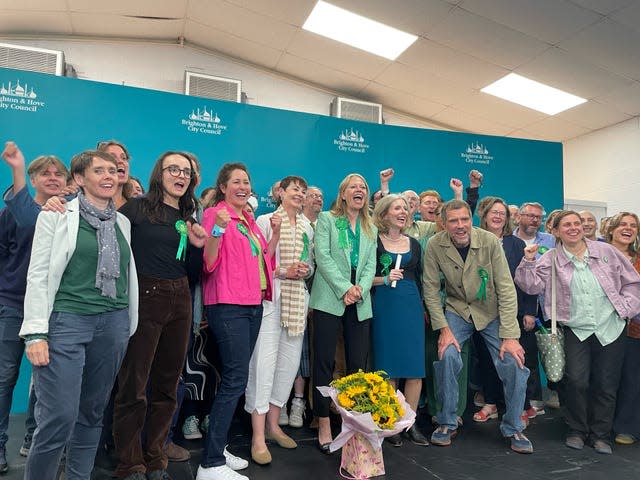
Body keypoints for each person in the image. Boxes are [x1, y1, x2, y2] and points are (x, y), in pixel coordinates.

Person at [20, 149, 138, 480]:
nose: (108, 176)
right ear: (79, 179)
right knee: (58, 416)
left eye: (112, 170)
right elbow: (38, 274)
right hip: (67, 322)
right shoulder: (55, 215)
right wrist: (35, 333)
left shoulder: (123, 222)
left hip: (113, 324)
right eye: (98, 170)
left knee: (92, 414)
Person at [113, 152, 207, 480]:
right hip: (146, 297)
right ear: (160, 173)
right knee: (134, 383)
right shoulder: (136, 208)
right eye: (174, 169)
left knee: (168, 383)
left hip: (181, 298)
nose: (180, 175)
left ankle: (156, 457)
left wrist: (199, 246)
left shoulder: (189, 214)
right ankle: (129, 461)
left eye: (186, 172)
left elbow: (194, 272)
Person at [515, 210, 640, 454]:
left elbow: (633, 282)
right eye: (566, 225)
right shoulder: (550, 257)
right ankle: (577, 430)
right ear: (556, 231)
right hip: (575, 329)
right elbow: (530, 286)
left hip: (610, 327)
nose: (573, 228)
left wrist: (626, 309)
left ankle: (601, 434)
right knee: (576, 381)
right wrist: (529, 260)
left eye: (577, 224)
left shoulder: (606, 251)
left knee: (606, 383)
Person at [423, 199, 532, 454]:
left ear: (471, 219)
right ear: (444, 223)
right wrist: (444, 329)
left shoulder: (490, 241)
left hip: (491, 311)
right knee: (447, 355)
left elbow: (505, 287)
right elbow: (430, 289)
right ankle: (447, 421)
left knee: (514, 362)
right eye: (453, 221)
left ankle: (514, 426)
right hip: (458, 309)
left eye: (464, 219)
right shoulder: (435, 245)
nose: (460, 226)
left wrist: (510, 335)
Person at [197, 162, 274, 480]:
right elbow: (209, 261)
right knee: (234, 380)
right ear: (224, 186)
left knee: (234, 380)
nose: (243, 186)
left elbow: (261, 262)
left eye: (247, 181)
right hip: (228, 305)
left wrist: (276, 237)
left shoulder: (248, 220)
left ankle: (218, 448)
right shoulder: (216, 214)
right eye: (236, 181)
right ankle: (210, 463)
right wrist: (217, 228)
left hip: (253, 305)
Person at [0, 142, 68, 474]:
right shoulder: (18, 209)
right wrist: (15, 169)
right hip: (13, 304)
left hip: (52, 308)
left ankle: (32, 439)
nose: (53, 178)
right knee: (5, 376)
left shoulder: (70, 212)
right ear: (33, 178)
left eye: (59, 173)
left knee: (46, 380)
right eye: (46, 173)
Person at [245, 176, 314, 465]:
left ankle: (274, 427)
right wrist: (285, 272)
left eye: (303, 190)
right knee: (263, 366)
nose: (299, 194)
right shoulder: (264, 221)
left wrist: (304, 270)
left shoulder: (309, 226)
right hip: (271, 303)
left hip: (297, 304)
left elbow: (310, 265)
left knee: (286, 368)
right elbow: (257, 261)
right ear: (280, 193)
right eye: (294, 189)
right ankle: (258, 436)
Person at [309, 173, 377, 453]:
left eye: (363, 187)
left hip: (360, 300)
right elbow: (322, 256)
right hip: (330, 297)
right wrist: (344, 288)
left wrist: (359, 288)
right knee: (323, 361)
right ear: (343, 193)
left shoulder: (370, 225)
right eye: (354, 186)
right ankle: (323, 420)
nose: (359, 190)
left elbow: (371, 263)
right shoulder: (327, 219)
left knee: (358, 365)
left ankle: (353, 423)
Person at [473, 197, 540, 426]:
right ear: (484, 215)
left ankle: (522, 405)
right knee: (487, 360)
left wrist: (530, 311)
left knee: (517, 360)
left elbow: (527, 280)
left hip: (514, 311)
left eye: (502, 213)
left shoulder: (516, 244)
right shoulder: (474, 240)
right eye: (493, 212)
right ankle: (490, 403)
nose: (498, 216)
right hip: (483, 312)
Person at [370, 195, 428, 446]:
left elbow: (423, 278)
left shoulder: (415, 244)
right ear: (384, 214)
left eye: (406, 208)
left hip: (411, 305)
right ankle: (389, 422)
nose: (403, 212)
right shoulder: (372, 241)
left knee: (414, 368)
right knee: (388, 366)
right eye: (397, 208)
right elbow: (361, 279)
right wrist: (382, 279)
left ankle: (410, 423)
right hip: (383, 305)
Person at [606, 212, 640, 445]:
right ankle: (601, 424)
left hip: (633, 329)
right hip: (603, 326)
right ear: (611, 229)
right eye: (623, 225)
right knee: (605, 379)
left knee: (631, 378)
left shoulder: (638, 258)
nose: (627, 229)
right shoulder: (598, 254)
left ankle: (626, 426)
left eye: (633, 226)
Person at [96, 140, 132, 209]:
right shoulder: (83, 204)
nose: (120, 161)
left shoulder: (138, 206)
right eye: (112, 157)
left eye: (124, 158)